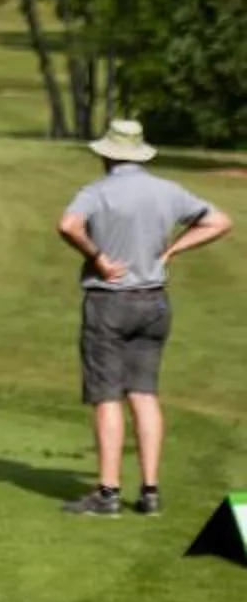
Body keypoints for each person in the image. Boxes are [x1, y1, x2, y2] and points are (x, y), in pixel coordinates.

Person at [55, 118, 230, 517]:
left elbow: (67, 225)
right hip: (154, 302)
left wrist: (96, 257)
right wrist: (172, 252)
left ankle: (108, 493)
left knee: (107, 396)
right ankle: (150, 491)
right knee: (145, 394)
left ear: (107, 155)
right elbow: (219, 221)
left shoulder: (96, 192)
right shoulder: (167, 191)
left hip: (109, 302)